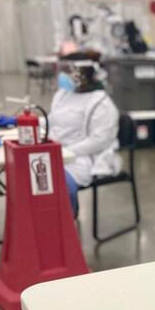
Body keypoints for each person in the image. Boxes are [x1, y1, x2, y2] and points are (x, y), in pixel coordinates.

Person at [48, 57, 120, 216]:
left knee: (57, 184)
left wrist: (64, 152)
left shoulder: (101, 103)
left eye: (71, 71)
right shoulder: (63, 95)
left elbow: (99, 141)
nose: (64, 75)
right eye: (65, 70)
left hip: (83, 159)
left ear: (86, 75)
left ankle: (66, 223)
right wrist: (23, 122)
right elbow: (52, 120)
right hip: (56, 153)